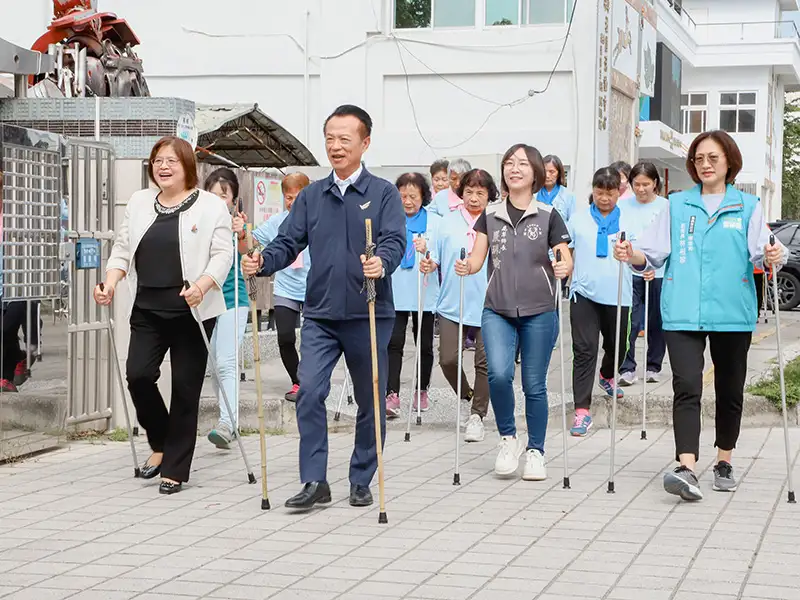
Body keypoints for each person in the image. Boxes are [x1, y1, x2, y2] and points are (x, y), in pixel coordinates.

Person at [242, 105, 405, 510]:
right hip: (320, 315)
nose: (335, 146)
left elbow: (395, 241)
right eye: (330, 138)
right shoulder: (313, 195)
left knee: (370, 400)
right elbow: (287, 242)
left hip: (369, 311)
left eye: (344, 139)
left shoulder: (382, 193)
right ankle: (315, 481)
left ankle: (362, 477)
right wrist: (262, 261)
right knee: (310, 392)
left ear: (364, 143)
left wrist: (381, 262)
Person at [614, 130, 786, 501]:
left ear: (729, 162)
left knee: (729, 390)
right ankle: (687, 466)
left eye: (713, 158)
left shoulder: (748, 206)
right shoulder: (676, 206)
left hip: (732, 313)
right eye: (698, 159)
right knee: (687, 386)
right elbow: (652, 254)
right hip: (682, 311)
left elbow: (767, 251)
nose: (705, 165)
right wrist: (632, 255)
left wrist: (774, 256)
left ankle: (724, 459)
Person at [95, 136, 233, 495]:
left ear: (187, 165)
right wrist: (110, 283)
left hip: (193, 310)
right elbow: (122, 249)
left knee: (185, 391)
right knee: (138, 375)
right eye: (157, 160)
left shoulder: (210, 206)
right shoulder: (140, 202)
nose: (163, 167)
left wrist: (203, 285)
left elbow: (222, 255)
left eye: (171, 160)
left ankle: (175, 467)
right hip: (147, 309)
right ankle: (160, 442)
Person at [455, 145, 572, 479]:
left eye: (522, 163)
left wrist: (563, 267)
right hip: (498, 309)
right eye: (509, 163)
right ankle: (508, 438)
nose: (514, 168)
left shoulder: (549, 215)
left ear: (535, 173)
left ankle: (536, 450)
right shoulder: (489, 215)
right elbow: (477, 259)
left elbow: (564, 256)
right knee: (499, 375)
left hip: (539, 310)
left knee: (534, 385)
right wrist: (465, 265)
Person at [420, 169, 492, 443]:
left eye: (480, 193)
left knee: (484, 362)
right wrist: (429, 263)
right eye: (469, 192)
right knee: (448, 358)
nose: (474, 198)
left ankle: (477, 414)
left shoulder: (495, 221)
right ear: (461, 193)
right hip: (452, 300)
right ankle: (467, 394)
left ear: (489, 196)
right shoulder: (444, 222)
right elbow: (434, 256)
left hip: (488, 301)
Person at [568, 167, 635, 437]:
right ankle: (581, 411)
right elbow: (566, 251)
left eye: (610, 192)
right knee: (584, 351)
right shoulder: (578, 219)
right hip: (583, 292)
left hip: (618, 293)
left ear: (618, 192)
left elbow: (640, 254)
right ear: (593, 191)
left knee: (618, 346)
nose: (604, 198)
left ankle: (608, 375)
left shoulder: (629, 219)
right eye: (599, 192)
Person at [241, 173, 311, 403]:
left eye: (296, 197)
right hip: (286, 288)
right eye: (287, 197)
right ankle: (298, 381)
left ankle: (312, 381)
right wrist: (242, 232)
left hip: (313, 289)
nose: (291, 202)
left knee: (313, 340)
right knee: (285, 337)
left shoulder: (317, 221)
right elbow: (252, 240)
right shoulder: (278, 222)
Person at [386, 173, 442, 418]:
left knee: (425, 344)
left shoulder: (435, 223)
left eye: (413, 196)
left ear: (423, 197)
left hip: (424, 291)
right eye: (402, 196)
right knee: (393, 342)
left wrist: (429, 256)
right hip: (396, 289)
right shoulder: (388, 219)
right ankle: (391, 393)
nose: (407, 201)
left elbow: (440, 256)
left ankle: (421, 389)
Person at [202, 168, 249, 450]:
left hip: (233, 300)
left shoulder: (236, 224)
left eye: (224, 195)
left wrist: (242, 232)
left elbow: (247, 249)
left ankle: (227, 424)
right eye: (212, 194)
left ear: (233, 200)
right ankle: (229, 421)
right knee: (214, 366)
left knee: (226, 362)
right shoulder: (195, 223)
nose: (218, 200)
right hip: (206, 302)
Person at [618, 162, 668, 386]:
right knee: (631, 321)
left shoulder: (666, 207)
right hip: (630, 271)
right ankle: (627, 368)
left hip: (657, 274)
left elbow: (668, 242)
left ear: (655, 183)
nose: (641, 189)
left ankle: (653, 366)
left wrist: (654, 267)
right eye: (636, 184)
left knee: (657, 322)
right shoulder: (622, 205)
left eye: (646, 184)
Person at [538, 154, 577, 224]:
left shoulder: (568, 196)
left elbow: (573, 223)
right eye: (544, 171)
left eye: (551, 172)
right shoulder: (534, 193)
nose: (547, 175)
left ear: (559, 173)